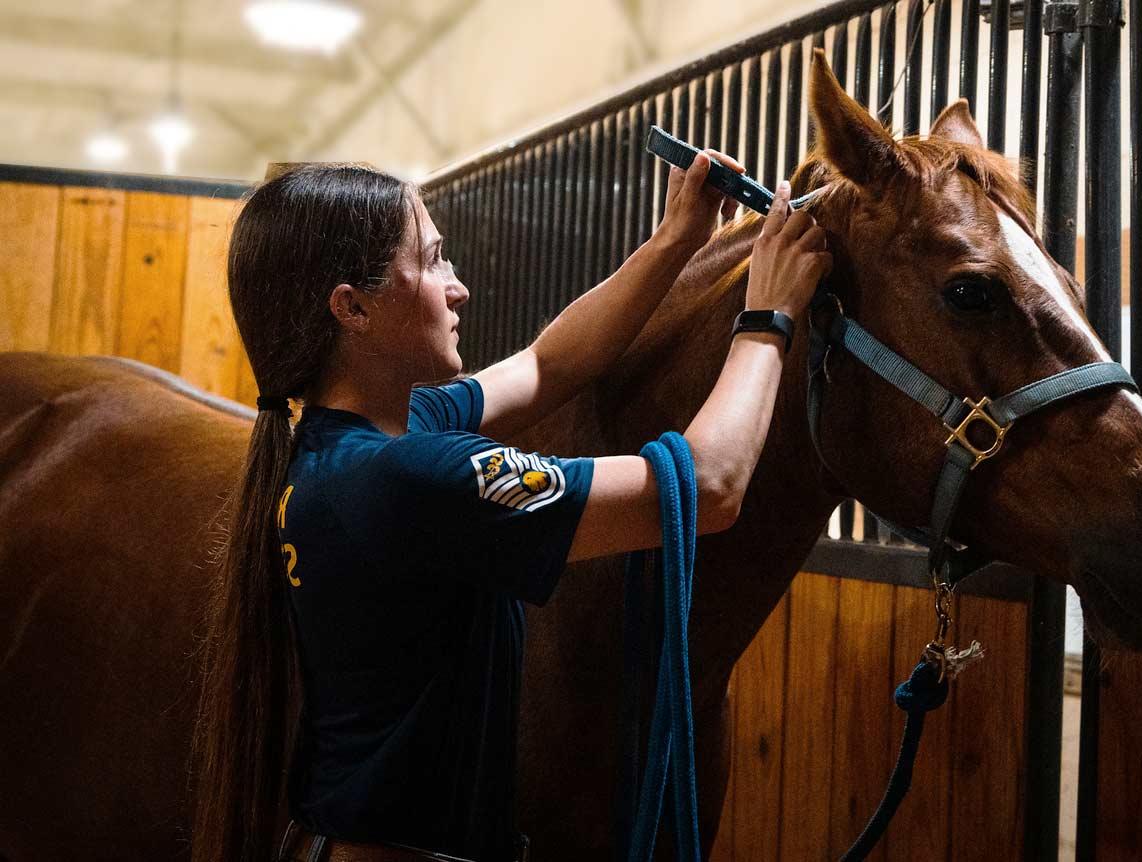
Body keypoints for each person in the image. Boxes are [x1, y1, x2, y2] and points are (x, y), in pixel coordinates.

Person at [189, 155, 830, 862]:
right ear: (353, 307)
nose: (458, 288)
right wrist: (768, 318)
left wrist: (675, 240)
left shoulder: (361, 441)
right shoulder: (411, 477)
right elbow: (707, 488)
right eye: (432, 262)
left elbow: (545, 366)